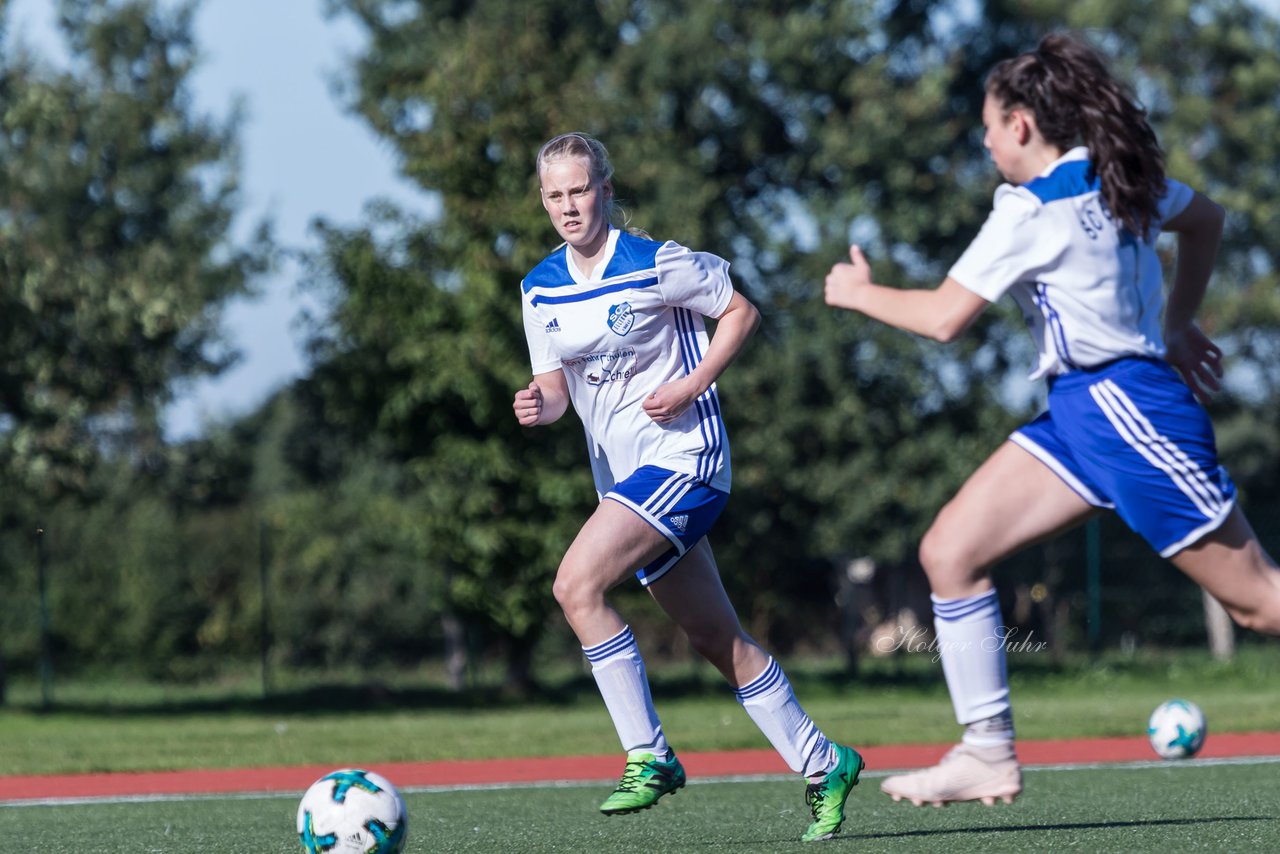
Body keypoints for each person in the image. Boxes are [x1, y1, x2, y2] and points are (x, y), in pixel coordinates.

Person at [823, 33, 1280, 808]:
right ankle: (987, 754)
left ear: (1024, 127)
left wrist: (858, 293)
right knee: (950, 551)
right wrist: (1177, 323)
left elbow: (943, 319)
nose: (987, 142)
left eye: (990, 128)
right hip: (1082, 414)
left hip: (1129, 414)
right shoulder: (1123, 179)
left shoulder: (1030, 208)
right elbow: (1207, 219)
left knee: (1260, 602)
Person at [514, 132, 863, 842]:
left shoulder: (657, 263)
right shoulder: (539, 289)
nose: (568, 206)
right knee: (715, 638)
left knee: (575, 585)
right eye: (555, 195)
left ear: (605, 190)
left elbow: (740, 310)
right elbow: (554, 389)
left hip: (686, 461)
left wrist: (694, 382)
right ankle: (826, 762)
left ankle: (650, 755)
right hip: (627, 481)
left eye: (579, 190)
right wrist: (536, 404)